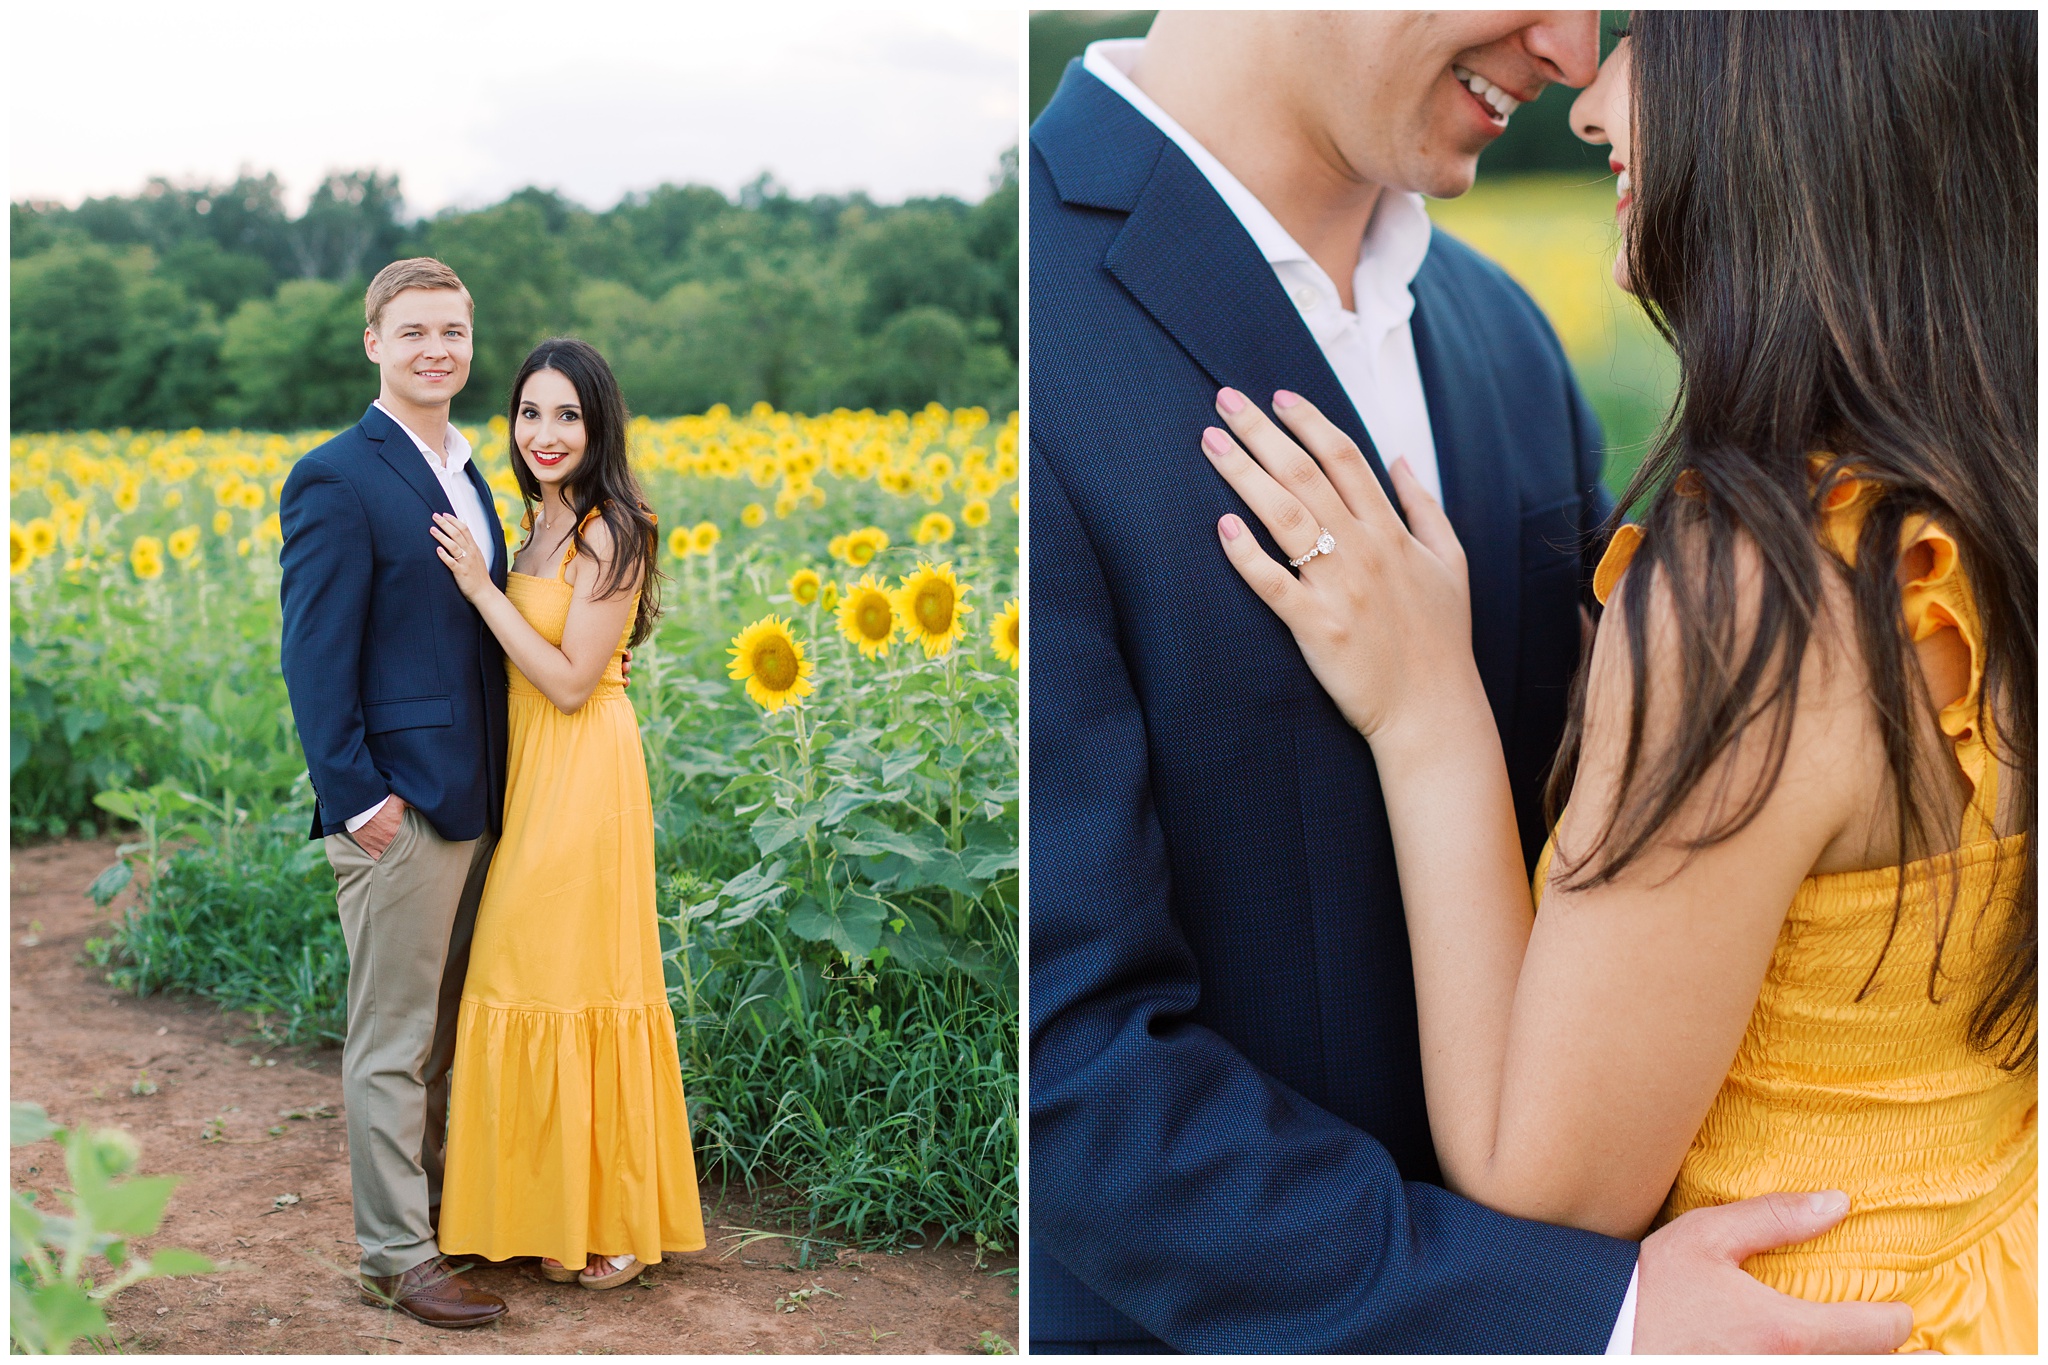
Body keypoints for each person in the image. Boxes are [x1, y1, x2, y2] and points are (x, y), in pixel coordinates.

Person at [1028, 10, 1917, 1353]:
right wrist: (1587, 1318)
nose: (1570, 55)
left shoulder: (1503, 337)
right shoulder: (1030, 320)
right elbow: (1063, 1071)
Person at [425, 337, 706, 1288]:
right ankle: (542, 1209)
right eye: (530, 413)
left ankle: (618, 1214)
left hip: (584, 767)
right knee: (517, 970)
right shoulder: (532, 525)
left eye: (567, 416)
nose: (545, 434)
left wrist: (477, 587)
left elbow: (574, 680)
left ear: (599, 426)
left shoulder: (614, 528)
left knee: (578, 972)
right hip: (529, 767)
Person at [280, 257, 511, 1328]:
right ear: (372, 342)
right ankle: (393, 1254)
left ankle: (437, 1221)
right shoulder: (336, 474)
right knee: (392, 1037)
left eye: (453, 333)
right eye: (414, 331)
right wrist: (357, 797)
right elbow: (314, 654)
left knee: (451, 1030)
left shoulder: (474, 471)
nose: (437, 350)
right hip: (399, 811)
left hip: (481, 797)